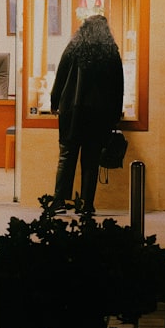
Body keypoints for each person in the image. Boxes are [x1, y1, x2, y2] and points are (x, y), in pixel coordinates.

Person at [49, 13, 124, 214]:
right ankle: (86, 204)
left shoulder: (74, 47)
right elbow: (118, 86)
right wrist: (116, 114)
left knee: (67, 156)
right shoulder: (111, 51)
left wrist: (54, 102)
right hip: (99, 115)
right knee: (90, 159)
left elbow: (60, 77)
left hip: (72, 112)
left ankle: (58, 202)